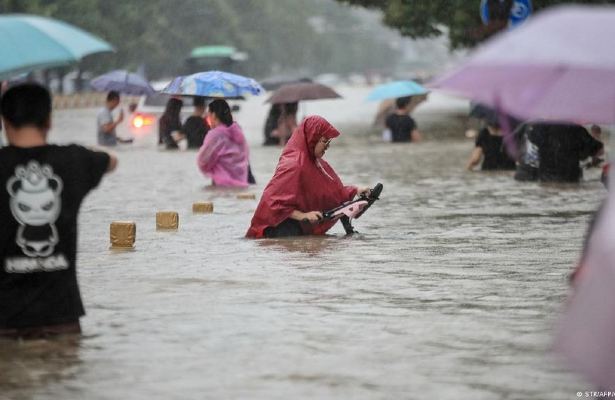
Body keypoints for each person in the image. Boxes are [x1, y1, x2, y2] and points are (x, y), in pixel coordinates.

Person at [0, 83, 117, 339]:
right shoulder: (73, 161)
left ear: (4, 121)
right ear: (49, 120)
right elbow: (111, 160)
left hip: (4, 324)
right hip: (61, 320)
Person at [246, 116, 369, 238]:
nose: (327, 146)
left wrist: (356, 190)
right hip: (278, 230)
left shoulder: (316, 163)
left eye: (329, 141)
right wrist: (303, 216)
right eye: (324, 140)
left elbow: (330, 193)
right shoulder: (293, 164)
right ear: (313, 138)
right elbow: (273, 202)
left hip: (298, 229)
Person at [197, 99, 251, 187]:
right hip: (241, 183)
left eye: (208, 115)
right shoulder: (239, 132)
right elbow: (246, 155)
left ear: (213, 115)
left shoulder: (215, 135)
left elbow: (203, 160)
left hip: (221, 184)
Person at [528, 122, 603, 182]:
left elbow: (531, 138)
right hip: (569, 177)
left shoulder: (540, 127)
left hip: (546, 177)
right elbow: (598, 150)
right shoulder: (576, 129)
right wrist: (596, 137)